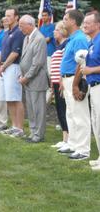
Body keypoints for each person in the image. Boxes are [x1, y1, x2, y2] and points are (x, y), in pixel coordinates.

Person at [58, 9, 90, 160]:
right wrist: (63, 80)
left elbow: (81, 63)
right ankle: (73, 144)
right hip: (68, 79)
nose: (63, 21)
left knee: (80, 115)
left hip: (74, 79)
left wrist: (75, 84)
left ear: (73, 21)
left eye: (65, 19)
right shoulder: (72, 38)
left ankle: (83, 149)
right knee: (70, 113)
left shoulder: (79, 39)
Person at [19, 15, 48, 143]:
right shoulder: (26, 38)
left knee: (38, 109)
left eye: (22, 26)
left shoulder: (39, 39)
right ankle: (33, 132)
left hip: (36, 80)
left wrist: (26, 77)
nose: (20, 29)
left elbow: (38, 63)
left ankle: (39, 135)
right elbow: (24, 59)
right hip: (27, 80)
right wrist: (22, 75)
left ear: (30, 25)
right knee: (31, 108)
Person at [0, 8, 25, 138]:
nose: (6, 18)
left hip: (13, 67)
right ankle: (14, 126)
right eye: (5, 15)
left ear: (16, 17)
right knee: (9, 99)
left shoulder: (19, 32)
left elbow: (15, 53)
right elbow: (2, 51)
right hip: (4, 68)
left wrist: (3, 67)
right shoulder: (6, 32)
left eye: (9, 16)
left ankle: (20, 128)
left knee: (16, 98)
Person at [82, 11, 100, 170]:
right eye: (84, 22)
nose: (85, 25)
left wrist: (91, 70)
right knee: (96, 123)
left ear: (97, 25)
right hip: (93, 86)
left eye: (88, 22)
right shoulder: (92, 42)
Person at [50, 21, 69, 149]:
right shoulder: (58, 46)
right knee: (59, 110)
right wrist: (53, 81)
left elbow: (65, 64)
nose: (54, 32)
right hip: (56, 82)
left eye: (56, 30)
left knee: (64, 109)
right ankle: (64, 138)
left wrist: (61, 80)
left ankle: (69, 138)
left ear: (62, 31)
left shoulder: (66, 45)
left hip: (62, 83)